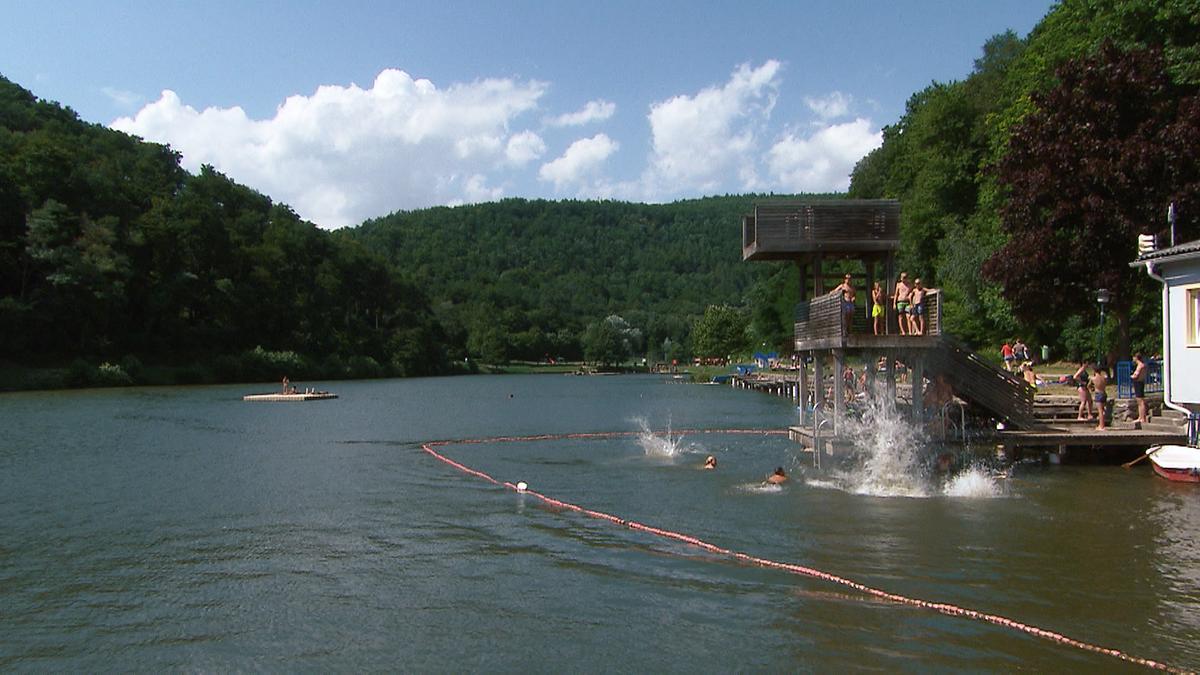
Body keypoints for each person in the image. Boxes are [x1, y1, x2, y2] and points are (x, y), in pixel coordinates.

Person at [1090, 365, 1109, 431]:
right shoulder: (1104, 378)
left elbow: (1089, 386)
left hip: (1098, 394)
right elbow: (1106, 382)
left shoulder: (1093, 379)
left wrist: (1092, 388)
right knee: (1103, 410)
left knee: (1100, 411)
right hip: (1104, 393)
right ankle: (1101, 424)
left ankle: (1102, 426)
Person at [1131, 352, 1148, 425]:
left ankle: (1142, 418)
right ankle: (1140, 417)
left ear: (1136, 358)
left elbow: (1136, 375)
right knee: (1140, 401)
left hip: (1138, 383)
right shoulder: (1144, 365)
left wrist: (1131, 376)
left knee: (1140, 401)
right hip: (1141, 382)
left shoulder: (1140, 366)